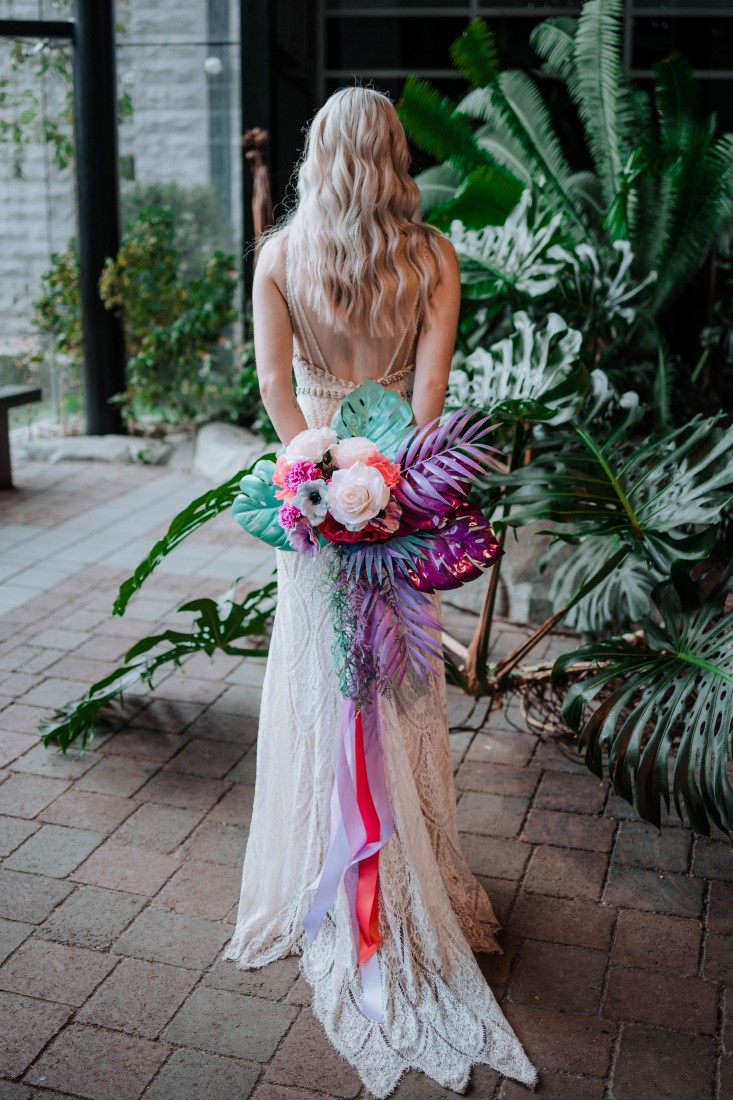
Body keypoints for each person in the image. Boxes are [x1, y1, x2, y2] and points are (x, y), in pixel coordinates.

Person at [223, 85, 539, 1097]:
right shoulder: (434, 256)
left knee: (318, 676)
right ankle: (399, 878)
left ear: (319, 155)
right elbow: (431, 398)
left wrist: (310, 471)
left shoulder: (279, 256)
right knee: (399, 677)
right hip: (399, 489)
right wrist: (386, 482)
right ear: (395, 154)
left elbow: (274, 386)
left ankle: (323, 875)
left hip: (315, 494)